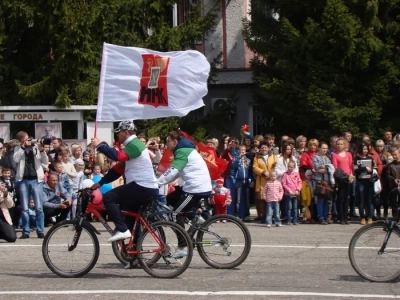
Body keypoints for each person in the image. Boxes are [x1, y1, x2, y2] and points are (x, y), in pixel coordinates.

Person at [90, 121, 159, 243]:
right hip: (145, 187)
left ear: (126, 132)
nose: (117, 135)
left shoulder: (135, 145)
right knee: (131, 219)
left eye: (119, 132)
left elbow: (118, 156)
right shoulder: (132, 146)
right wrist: (100, 182)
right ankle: (135, 254)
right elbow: (118, 170)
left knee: (108, 198)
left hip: (141, 186)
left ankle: (122, 230)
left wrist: (100, 145)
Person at [157, 131, 212, 257]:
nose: (166, 145)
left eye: (168, 141)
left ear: (175, 141)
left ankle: (182, 246)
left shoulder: (181, 151)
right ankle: (195, 218)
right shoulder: (184, 149)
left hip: (195, 188)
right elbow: (175, 172)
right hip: (195, 186)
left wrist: (156, 183)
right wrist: (160, 181)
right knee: (171, 199)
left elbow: (173, 171)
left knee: (175, 215)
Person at [14, 131, 48, 239]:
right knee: (25, 208)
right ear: (21, 140)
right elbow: (15, 159)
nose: (29, 141)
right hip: (24, 180)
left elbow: (45, 161)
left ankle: (40, 231)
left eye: (29, 138)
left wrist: (41, 150)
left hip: (36, 180)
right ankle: (26, 231)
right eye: (26, 139)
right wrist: (23, 148)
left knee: (39, 207)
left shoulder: (36, 148)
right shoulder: (18, 149)